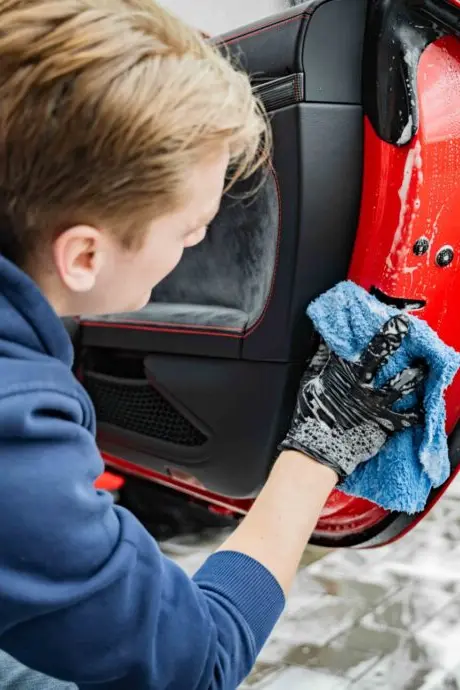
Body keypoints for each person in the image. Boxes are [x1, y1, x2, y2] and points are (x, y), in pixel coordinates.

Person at [0, 1, 425, 688]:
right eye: (188, 227)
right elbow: (193, 663)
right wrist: (320, 449)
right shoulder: (14, 430)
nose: (201, 238)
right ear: (83, 257)